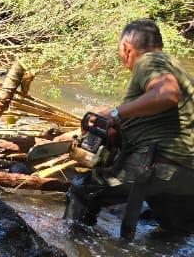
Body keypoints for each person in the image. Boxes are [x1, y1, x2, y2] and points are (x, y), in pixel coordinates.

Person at [65, 19, 194, 235]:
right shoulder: (181, 72)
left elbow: (166, 94)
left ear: (126, 49)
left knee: (82, 190)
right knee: (173, 233)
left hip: (156, 167)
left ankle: (70, 255)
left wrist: (115, 113)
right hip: (187, 175)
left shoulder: (149, 61)